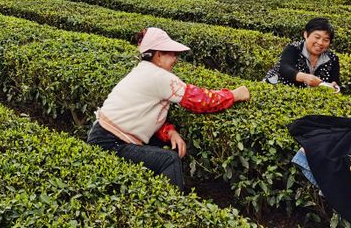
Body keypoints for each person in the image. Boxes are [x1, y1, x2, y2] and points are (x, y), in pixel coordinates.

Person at [86, 27, 251, 190]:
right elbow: (200, 100)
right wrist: (234, 95)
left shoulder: (143, 71)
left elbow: (145, 115)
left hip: (103, 136)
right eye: (172, 54)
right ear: (158, 56)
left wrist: (170, 132)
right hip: (111, 142)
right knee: (170, 159)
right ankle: (174, 210)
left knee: (162, 147)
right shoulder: (160, 77)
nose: (176, 59)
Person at [263, 18, 340, 90]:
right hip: (275, 88)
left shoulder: (332, 59)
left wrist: (334, 86)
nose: (320, 43)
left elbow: (335, 81)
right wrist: (304, 77)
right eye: (317, 37)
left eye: (326, 40)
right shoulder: (294, 48)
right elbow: (284, 68)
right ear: (306, 35)